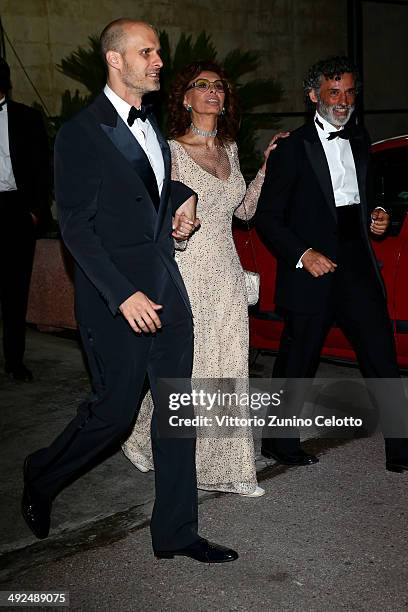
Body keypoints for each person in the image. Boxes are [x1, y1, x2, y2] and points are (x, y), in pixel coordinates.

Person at [21, 19, 238, 564]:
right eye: (147, 52)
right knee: (114, 415)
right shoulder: (80, 132)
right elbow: (76, 225)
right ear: (115, 60)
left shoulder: (152, 130)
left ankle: (176, 533)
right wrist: (122, 295)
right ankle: (43, 473)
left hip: (169, 291)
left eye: (158, 51)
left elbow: (146, 187)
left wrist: (181, 198)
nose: (158, 60)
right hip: (115, 301)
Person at [122, 60, 287, 496]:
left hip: (227, 272)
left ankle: (224, 464)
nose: (213, 91)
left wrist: (267, 166)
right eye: (202, 85)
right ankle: (157, 444)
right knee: (191, 369)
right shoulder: (170, 150)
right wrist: (176, 235)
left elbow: (244, 211)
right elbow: (159, 219)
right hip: (187, 270)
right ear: (184, 97)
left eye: (219, 86)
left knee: (229, 365)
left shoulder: (230, 149)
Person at [255, 55, 408, 471]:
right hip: (313, 265)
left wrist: (381, 217)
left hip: (356, 261)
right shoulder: (292, 148)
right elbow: (267, 217)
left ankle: (401, 448)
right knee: (298, 358)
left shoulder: (360, 139)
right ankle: (277, 442)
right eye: (333, 91)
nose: (342, 100)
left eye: (349, 92)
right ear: (313, 95)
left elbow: (368, 198)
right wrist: (303, 254)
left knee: (380, 353)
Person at [0, 58, 50, 382]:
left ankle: (15, 362)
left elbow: (43, 168)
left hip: (15, 210)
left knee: (15, 291)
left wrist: (35, 211)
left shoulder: (27, 118)